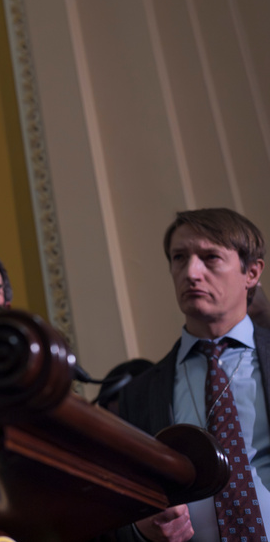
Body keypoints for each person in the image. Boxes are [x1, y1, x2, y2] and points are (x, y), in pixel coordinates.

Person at [114, 208, 270, 542]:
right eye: (179, 258)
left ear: (251, 272)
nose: (191, 272)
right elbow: (116, 511)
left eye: (210, 257)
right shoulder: (138, 394)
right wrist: (140, 531)